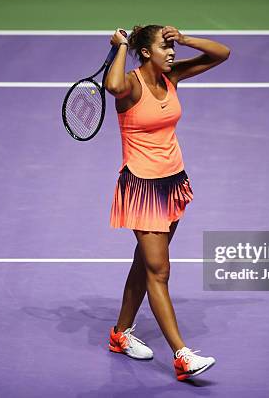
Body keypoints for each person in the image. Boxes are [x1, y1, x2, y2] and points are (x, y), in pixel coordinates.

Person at [104, 25, 230, 381]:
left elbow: (221, 54)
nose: (172, 52)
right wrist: (121, 46)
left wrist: (186, 38)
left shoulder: (171, 76)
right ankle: (182, 355)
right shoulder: (129, 84)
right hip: (143, 187)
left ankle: (120, 334)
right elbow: (112, 87)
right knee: (159, 271)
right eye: (165, 46)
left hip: (172, 181)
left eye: (173, 47)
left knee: (144, 263)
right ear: (146, 52)